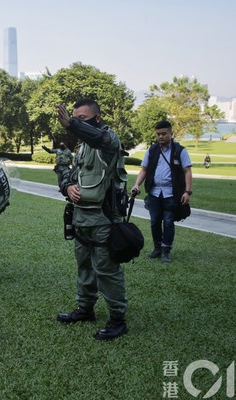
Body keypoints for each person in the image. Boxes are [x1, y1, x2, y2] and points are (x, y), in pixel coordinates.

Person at [56, 99, 128, 341]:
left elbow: (99, 139)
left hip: (103, 219)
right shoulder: (83, 148)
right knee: (84, 266)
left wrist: (72, 125)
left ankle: (118, 319)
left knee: (107, 270)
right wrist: (67, 187)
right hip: (81, 218)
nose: (76, 124)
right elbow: (70, 174)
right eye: (74, 119)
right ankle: (85, 309)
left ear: (97, 119)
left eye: (82, 119)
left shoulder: (109, 140)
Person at [131, 120, 192, 264]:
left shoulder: (180, 151)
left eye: (164, 133)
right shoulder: (152, 150)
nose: (161, 136)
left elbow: (187, 171)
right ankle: (157, 248)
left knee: (169, 222)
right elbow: (144, 170)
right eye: (158, 134)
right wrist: (137, 184)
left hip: (172, 194)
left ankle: (166, 250)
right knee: (154, 222)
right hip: (154, 193)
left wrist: (187, 192)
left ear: (171, 133)